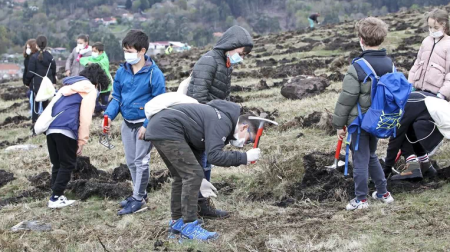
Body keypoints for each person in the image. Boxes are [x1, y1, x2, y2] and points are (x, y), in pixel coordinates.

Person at [145, 99, 261, 240]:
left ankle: (177, 223)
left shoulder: (221, 120)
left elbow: (198, 151)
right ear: (243, 127)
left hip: (161, 128)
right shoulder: (222, 121)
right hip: (168, 129)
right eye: (248, 140)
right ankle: (189, 226)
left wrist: (200, 177)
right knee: (191, 175)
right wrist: (244, 157)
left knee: (182, 176)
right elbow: (214, 156)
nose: (244, 145)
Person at [186, 25, 253, 218]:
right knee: (196, 167)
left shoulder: (225, 64)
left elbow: (224, 98)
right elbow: (198, 96)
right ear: (231, 46)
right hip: (200, 122)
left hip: (211, 121)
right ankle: (192, 211)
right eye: (241, 53)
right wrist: (214, 122)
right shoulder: (209, 61)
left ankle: (203, 205)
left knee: (205, 165)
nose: (242, 57)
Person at [332, 17, 394, 211]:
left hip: (359, 122)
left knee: (359, 159)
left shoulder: (357, 67)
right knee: (371, 155)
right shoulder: (389, 64)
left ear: (361, 39)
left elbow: (346, 99)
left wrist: (338, 124)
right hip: (379, 121)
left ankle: (361, 200)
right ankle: (383, 193)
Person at [103, 30, 166, 215]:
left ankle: (138, 200)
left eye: (130, 50)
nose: (127, 54)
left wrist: (147, 125)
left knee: (141, 162)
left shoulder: (155, 74)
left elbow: (159, 103)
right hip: (127, 123)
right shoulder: (122, 71)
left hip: (144, 125)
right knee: (131, 162)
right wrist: (108, 116)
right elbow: (116, 97)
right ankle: (141, 194)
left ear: (142, 51)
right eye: (125, 50)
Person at [385, 9, 450, 179]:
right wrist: (410, 86)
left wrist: (442, 95)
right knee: (408, 127)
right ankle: (423, 166)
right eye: (429, 27)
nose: (431, 30)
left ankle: (410, 167)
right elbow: (416, 65)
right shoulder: (426, 42)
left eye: (434, 26)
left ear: (443, 25)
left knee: (401, 124)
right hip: (418, 92)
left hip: (433, 98)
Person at [42, 64, 110, 208]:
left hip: (51, 128)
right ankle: (56, 198)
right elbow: (85, 118)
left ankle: (55, 194)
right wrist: (81, 141)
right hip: (66, 128)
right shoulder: (89, 89)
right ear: (98, 82)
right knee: (68, 164)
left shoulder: (67, 87)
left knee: (57, 164)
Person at [384, 91, 442, 180]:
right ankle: (426, 165)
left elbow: (395, 139)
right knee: (409, 128)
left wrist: (386, 169)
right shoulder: (408, 98)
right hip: (439, 119)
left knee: (402, 133)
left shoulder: (403, 107)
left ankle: (413, 167)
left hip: (437, 125)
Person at [23, 35, 57, 126]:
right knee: (46, 102)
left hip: (36, 85)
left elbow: (30, 72)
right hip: (47, 84)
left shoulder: (33, 57)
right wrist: (54, 82)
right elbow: (54, 71)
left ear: (36, 45)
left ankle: (35, 123)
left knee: (35, 104)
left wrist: (26, 82)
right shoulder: (50, 57)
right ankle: (46, 122)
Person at [80, 42, 113, 113]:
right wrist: (88, 63)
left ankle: (107, 112)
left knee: (105, 100)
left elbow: (98, 65)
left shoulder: (104, 60)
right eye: (92, 51)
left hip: (105, 83)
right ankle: (98, 111)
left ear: (101, 52)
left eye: (95, 51)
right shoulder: (92, 58)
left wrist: (91, 63)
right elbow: (82, 59)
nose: (93, 53)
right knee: (95, 100)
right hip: (95, 83)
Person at [22, 39, 39, 117]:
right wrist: (25, 81)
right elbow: (26, 70)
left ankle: (36, 113)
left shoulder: (36, 58)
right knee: (30, 95)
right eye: (27, 47)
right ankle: (34, 112)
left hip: (35, 82)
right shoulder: (27, 59)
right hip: (30, 82)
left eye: (29, 47)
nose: (27, 49)